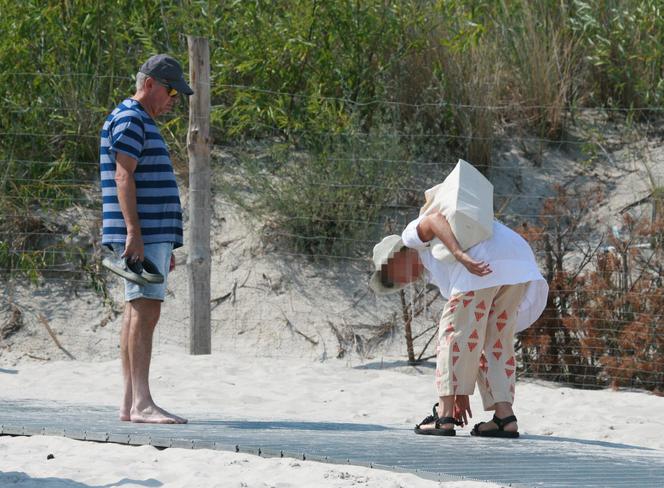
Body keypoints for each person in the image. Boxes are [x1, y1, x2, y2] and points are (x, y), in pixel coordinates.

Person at [370, 210, 548, 437]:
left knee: (450, 335)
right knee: (495, 341)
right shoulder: (435, 265)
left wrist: (460, 254)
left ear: (397, 257)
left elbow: (434, 219)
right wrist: (460, 392)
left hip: (482, 262)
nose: (400, 282)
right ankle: (505, 418)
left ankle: (444, 417)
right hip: (518, 263)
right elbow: (472, 337)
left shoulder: (411, 238)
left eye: (392, 275)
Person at [99, 54, 193, 424]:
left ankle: (129, 402)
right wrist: (135, 234)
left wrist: (163, 242)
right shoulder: (130, 118)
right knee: (144, 311)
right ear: (149, 84)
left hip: (153, 234)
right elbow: (124, 177)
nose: (174, 99)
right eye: (171, 90)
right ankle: (142, 403)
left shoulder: (139, 120)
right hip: (143, 232)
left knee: (135, 310)